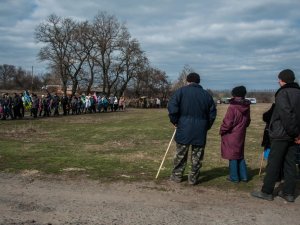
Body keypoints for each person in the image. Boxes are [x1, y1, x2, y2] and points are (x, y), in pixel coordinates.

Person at [251, 69, 300, 202]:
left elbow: (286, 114)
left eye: (279, 79)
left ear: (283, 79)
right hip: (294, 134)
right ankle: (289, 193)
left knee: (274, 163)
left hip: (282, 133)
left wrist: (294, 133)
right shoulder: (298, 92)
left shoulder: (283, 93)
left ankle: (267, 191)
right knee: (290, 164)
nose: (278, 81)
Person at [167, 72, 217, 185]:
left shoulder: (180, 92)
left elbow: (172, 107)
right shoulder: (206, 95)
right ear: (198, 81)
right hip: (199, 130)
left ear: (188, 81)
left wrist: (175, 121)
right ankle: (193, 179)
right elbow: (212, 114)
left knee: (180, 155)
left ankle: (176, 176)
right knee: (197, 157)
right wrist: (206, 126)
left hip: (184, 128)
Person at [219, 86, 251, 183]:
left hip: (232, 134)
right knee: (239, 154)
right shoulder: (246, 105)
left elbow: (228, 122)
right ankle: (244, 176)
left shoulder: (232, 107)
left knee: (232, 155)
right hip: (241, 133)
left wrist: (222, 130)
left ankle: (234, 177)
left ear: (234, 94)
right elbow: (248, 121)